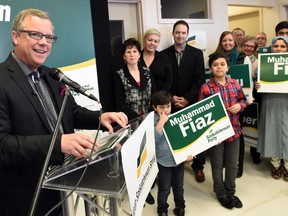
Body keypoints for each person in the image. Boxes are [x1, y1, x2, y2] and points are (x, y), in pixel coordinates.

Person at [0, 8, 128, 216]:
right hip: (24, 199)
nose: (44, 42)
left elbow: (72, 112)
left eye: (49, 37)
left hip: (61, 189)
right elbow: (3, 145)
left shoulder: (51, 75)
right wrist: (57, 143)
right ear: (15, 36)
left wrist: (100, 117)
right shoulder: (2, 79)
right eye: (36, 34)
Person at [200, 52, 247, 209]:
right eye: (215, 65)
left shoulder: (234, 84)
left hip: (234, 131)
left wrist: (240, 106)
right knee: (217, 164)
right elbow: (202, 112)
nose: (219, 67)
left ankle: (231, 191)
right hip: (217, 134)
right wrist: (211, 134)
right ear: (211, 69)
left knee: (233, 164)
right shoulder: (206, 88)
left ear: (227, 67)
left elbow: (243, 100)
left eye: (222, 64)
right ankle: (220, 193)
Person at [161, 20, 206, 183]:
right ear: (173, 34)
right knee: (175, 136)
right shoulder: (164, 54)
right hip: (171, 102)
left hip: (191, 101)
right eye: (177, 32)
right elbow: (164, 80)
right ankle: (176, 164)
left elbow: (200, 79)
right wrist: (171, 97)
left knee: (196, 135)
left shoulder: (197, 54)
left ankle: (198, 166)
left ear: (187, 34)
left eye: (183, 32)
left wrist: (187, 98)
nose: (180, 35)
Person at [139, 28, 173, 205]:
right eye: (150, 40)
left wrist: (162, 103)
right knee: (146, 147)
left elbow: (169, 79)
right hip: (142, 108)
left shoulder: (163, 58)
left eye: (156, 41)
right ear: (144, 40)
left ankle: (161, 179)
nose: (152, 43)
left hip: (159, 106)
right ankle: (146, 184)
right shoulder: (136, 56)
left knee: (159, 143)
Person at [212, 31, 248, 178]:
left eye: (230, 40)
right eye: (224, 40)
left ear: (235, 42)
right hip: (220, 106)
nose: (227, 43)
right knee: (221, 136)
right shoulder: (213, 57)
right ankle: (225, 164)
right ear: (221, 42)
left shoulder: (242, 57)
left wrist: (242, 103)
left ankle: (236, 167)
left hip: (237, 103)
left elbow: (249, 80)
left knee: (237, 137)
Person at [152, 90, 192, 216]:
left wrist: (189, 153)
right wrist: (162, 122)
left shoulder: (176, 117)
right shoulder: (153, 120)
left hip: (178, 159)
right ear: (154, 107)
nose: (165, 110)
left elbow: (185, 138)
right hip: (163, 161)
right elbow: (154, 139)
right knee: (164, 189)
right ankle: (162, 210)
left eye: (168, 106)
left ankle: (180, 207)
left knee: (179, 187)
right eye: (161, 107)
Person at [256, 36, 288, 182]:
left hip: (286, 102)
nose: (279, 49)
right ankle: (275, 164)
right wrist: (258, 85)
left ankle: (287, 166)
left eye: (283, 46)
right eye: (276, 46)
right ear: (271, 47)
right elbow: (257, 83)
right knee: (272, 131)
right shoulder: (264, 63)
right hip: (270, 101)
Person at [113, 37, 155, 121]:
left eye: (135, 51)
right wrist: (138, 119)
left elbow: (154, 95)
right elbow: (120, 104)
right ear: (124, 56)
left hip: (149, 118)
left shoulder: (147, 72)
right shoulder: (119, 75)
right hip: (129, 121)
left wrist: (148, 116)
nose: (132, 55)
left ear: (139, 55)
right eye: (128, 52)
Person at [240, 36, 262, 164]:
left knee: (254, 124)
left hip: (254, 95)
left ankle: (255, 152)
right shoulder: (237, 59)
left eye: (251, 46)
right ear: (241, 46)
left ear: (255, 48)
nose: (248, 48)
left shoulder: (258, 61)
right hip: (239, 96)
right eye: (246, 45)